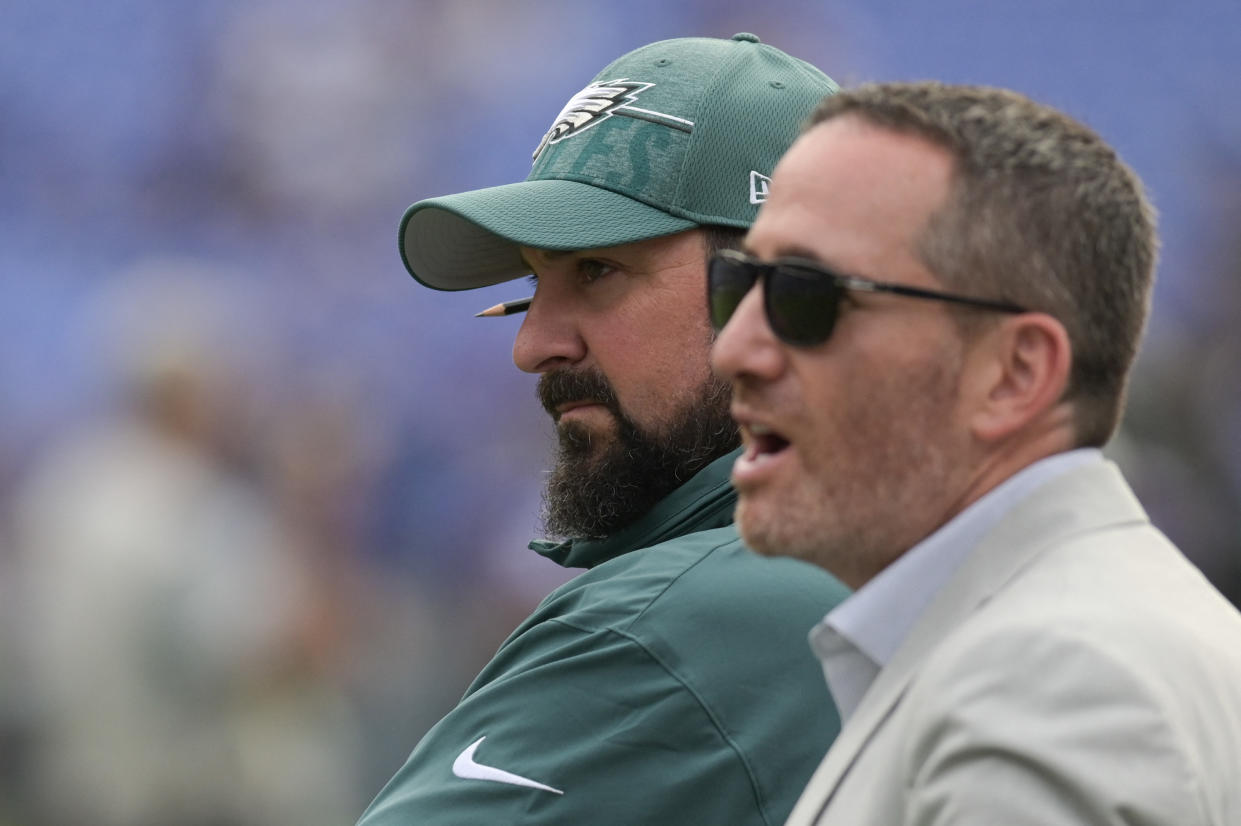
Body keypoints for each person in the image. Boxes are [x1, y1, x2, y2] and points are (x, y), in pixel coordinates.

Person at [709, 80, 1241, 825]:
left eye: (806, 293)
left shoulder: (1051, 679)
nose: (732, 348)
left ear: (1013, 374)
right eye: (734, 284)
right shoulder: (1072, 636)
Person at [358, 35, 851, 825]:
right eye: (532, 284)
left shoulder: (669, 626)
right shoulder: (946, 560)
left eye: (597, 270)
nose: (530, 346)